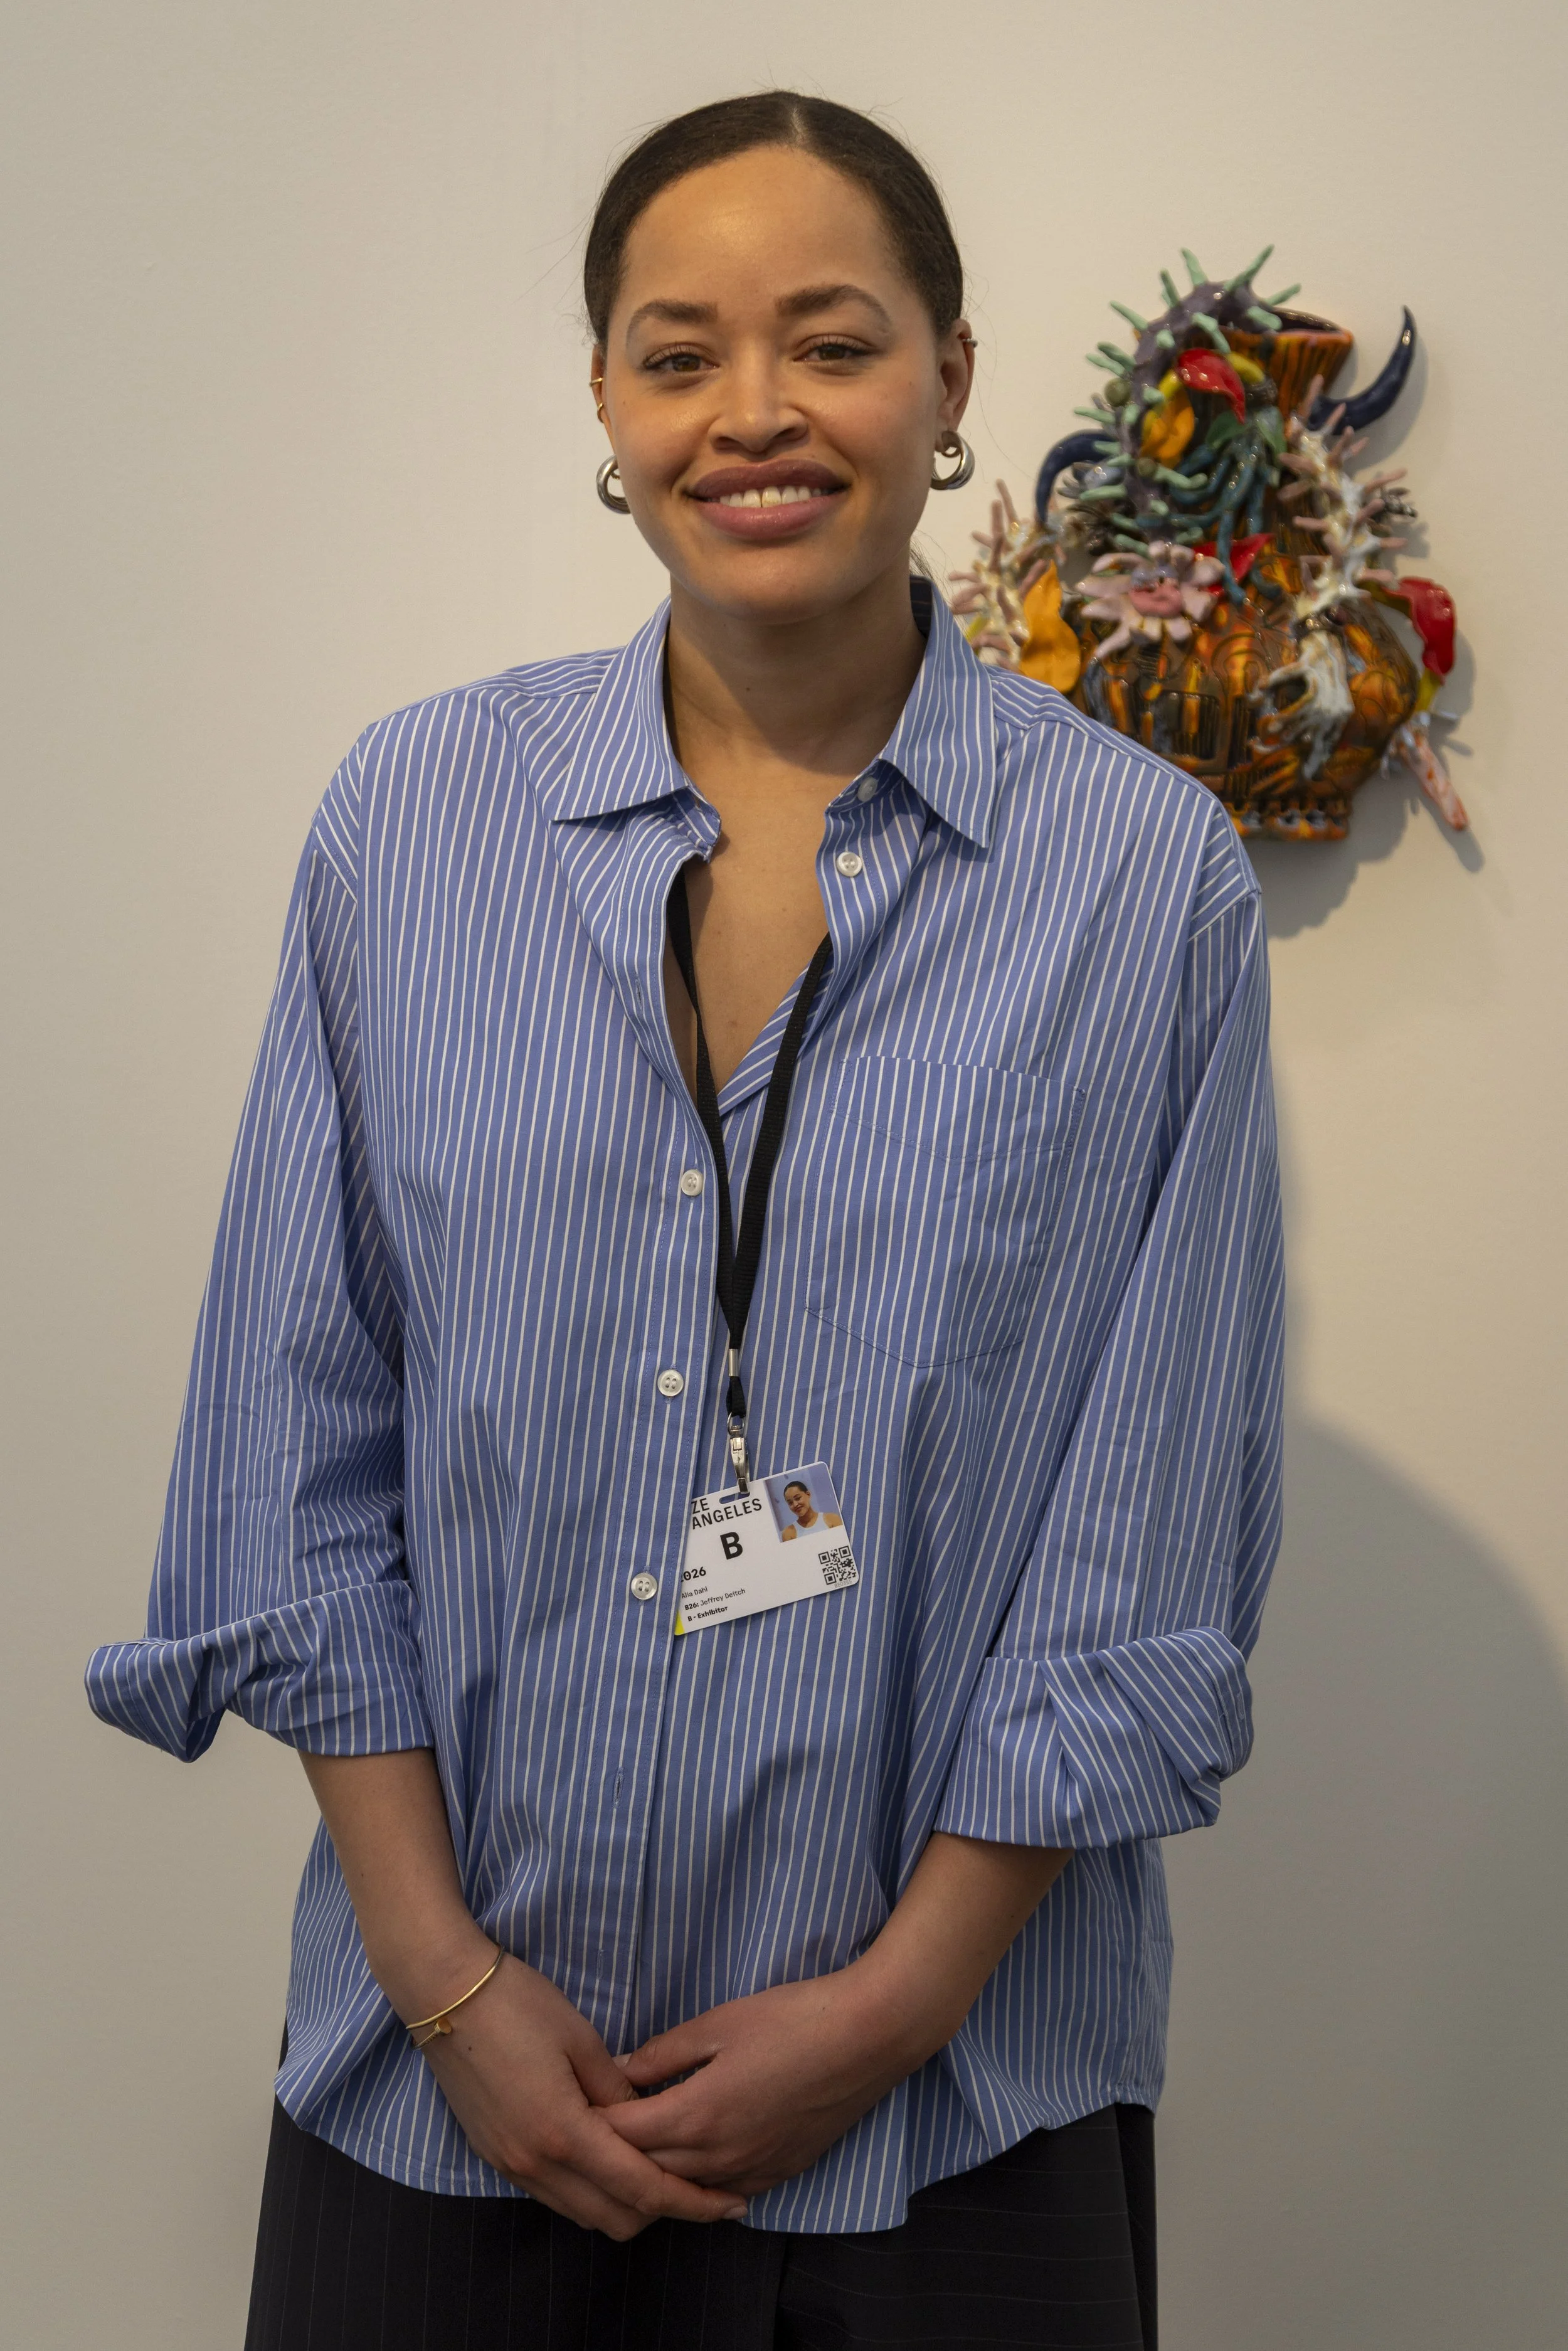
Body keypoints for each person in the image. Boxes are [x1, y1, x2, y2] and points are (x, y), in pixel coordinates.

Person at [86, 90, 1283, 2351]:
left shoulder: (1136, 881)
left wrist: (894, 1998)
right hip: (447, 2082)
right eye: (676, 351)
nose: (753, 412)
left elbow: (1141, 1526)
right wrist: (444, 1978)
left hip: (954, 2109)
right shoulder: (414, 821)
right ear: (608, 403)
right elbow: (294, 1420)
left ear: (944, 375)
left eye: (828, 341)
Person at [777, 1478, 842, 1538]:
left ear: (808, 1494)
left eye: (798, 1498)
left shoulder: (833, 1519)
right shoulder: (788, 1533)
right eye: (790, 1503)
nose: (795, 1504)